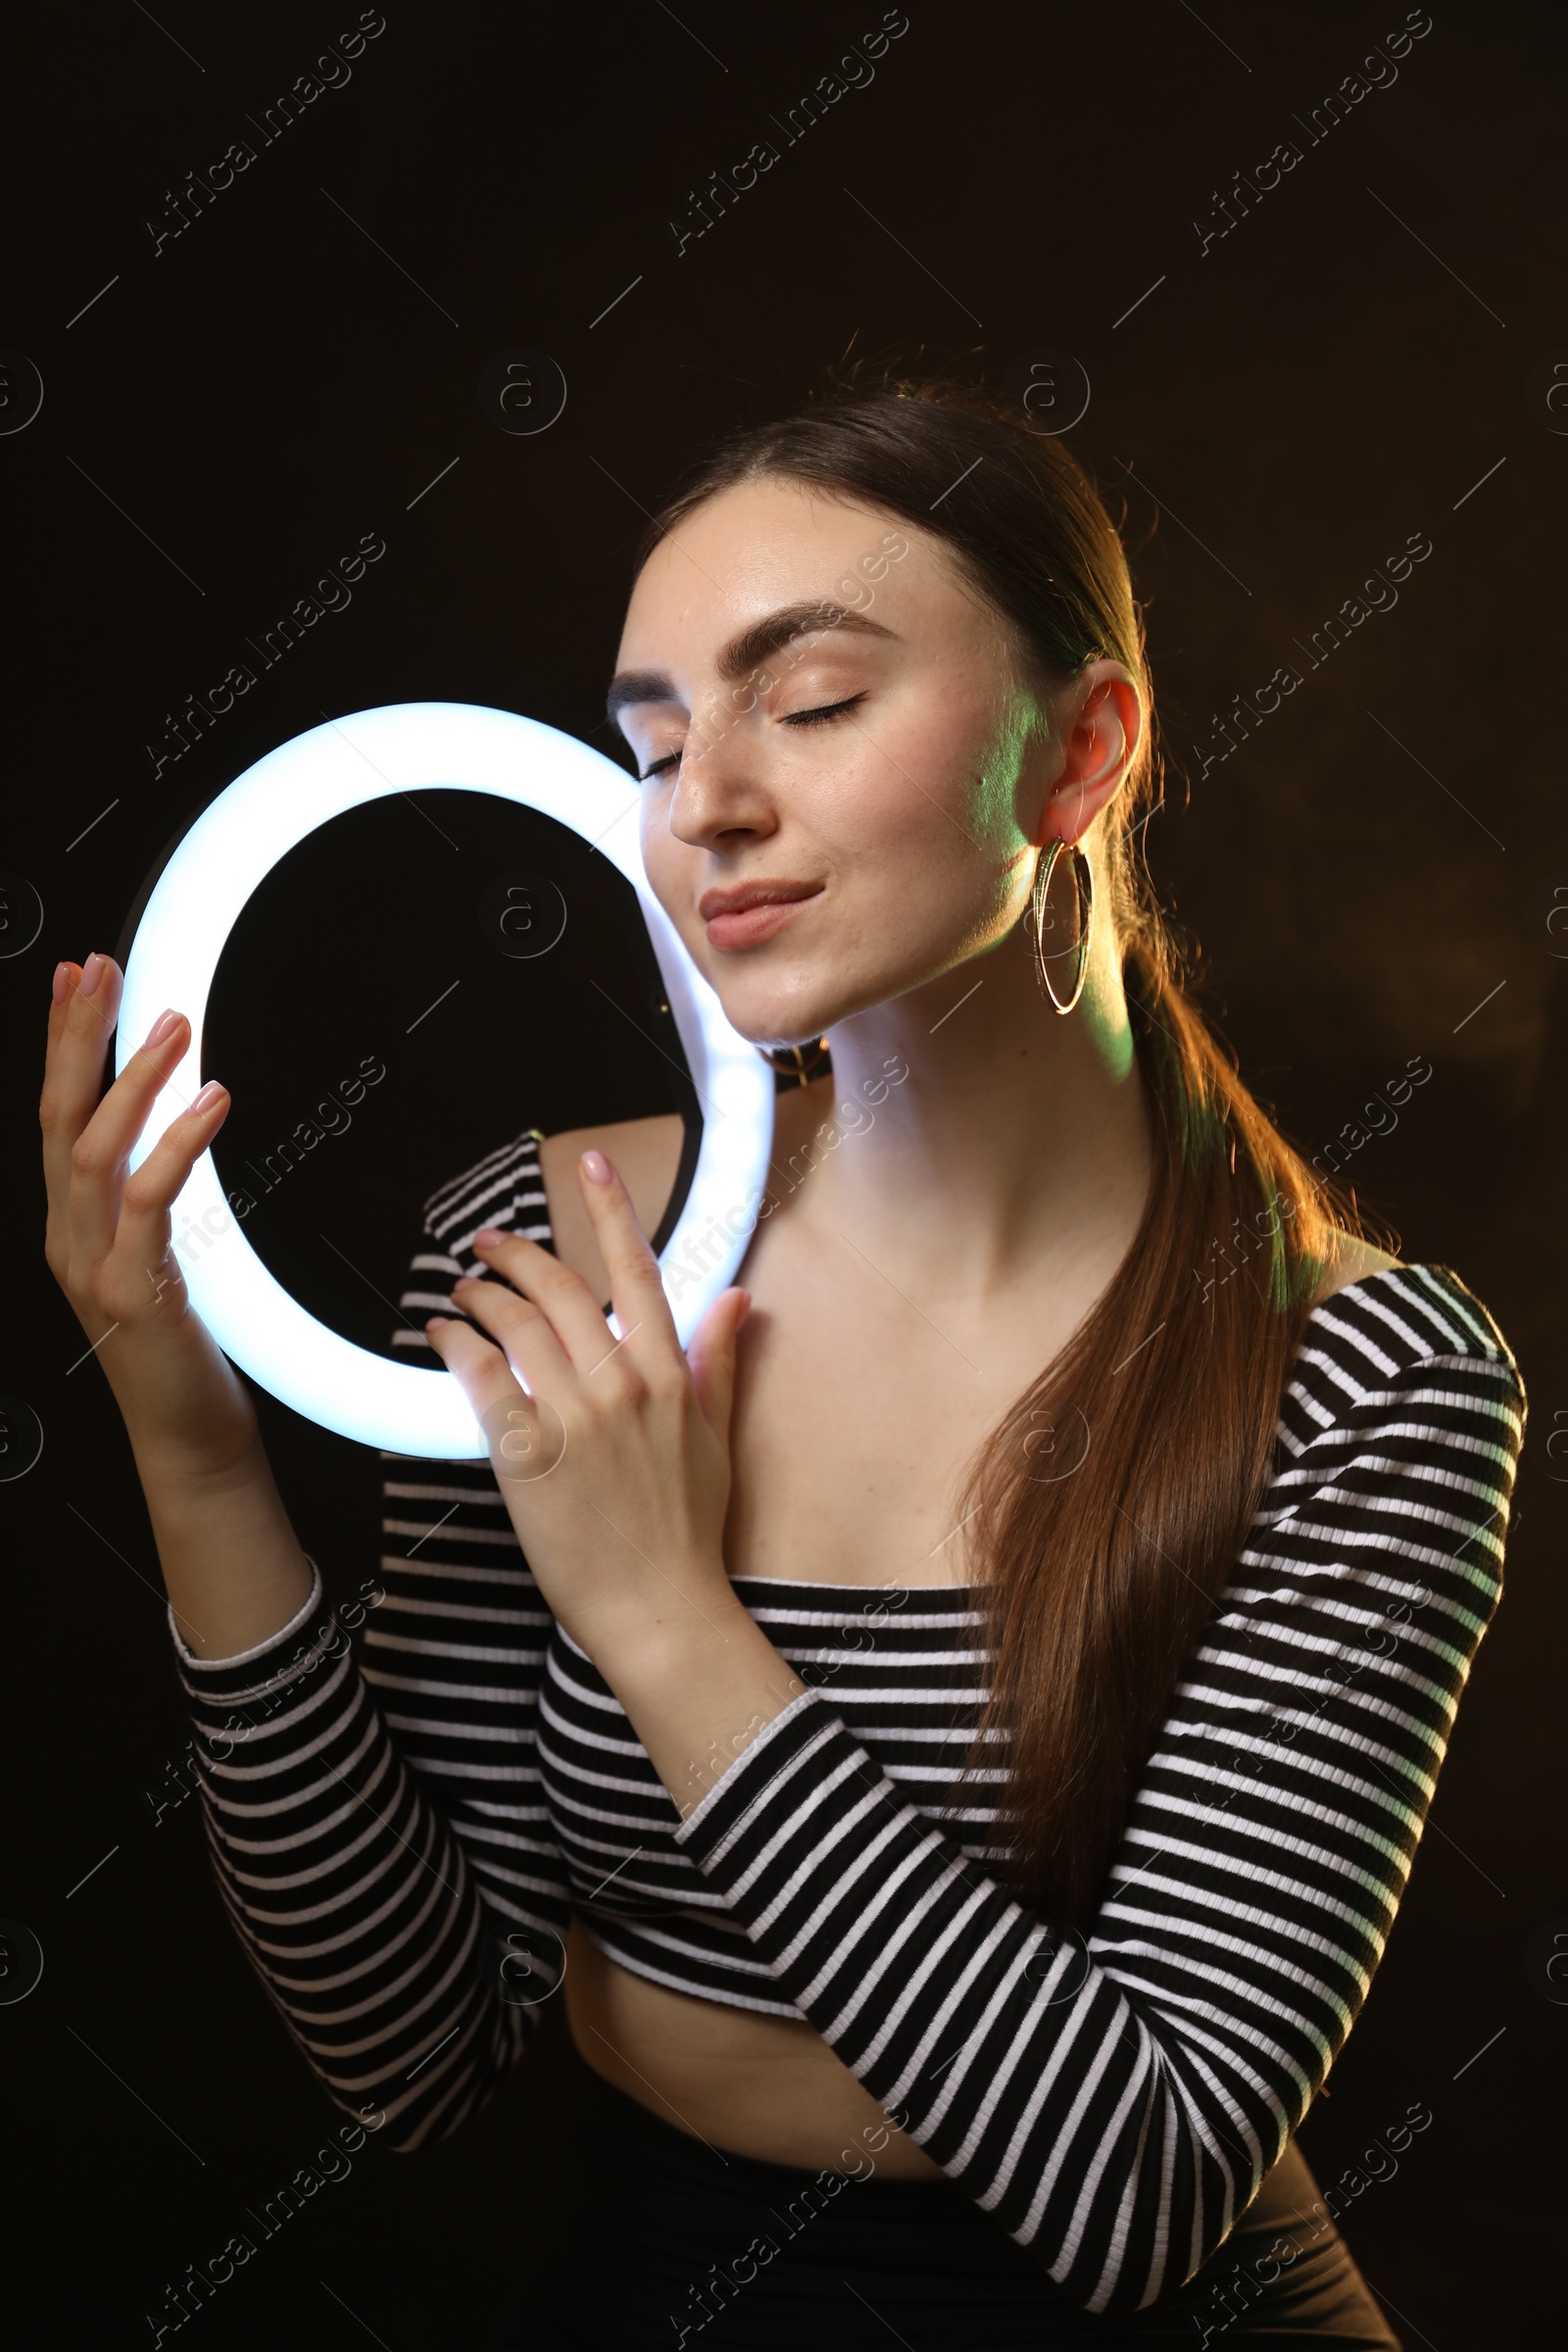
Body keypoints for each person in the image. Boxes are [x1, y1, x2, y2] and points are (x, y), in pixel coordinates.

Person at [40, 376, 1525, 2349]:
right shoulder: (546, 1248)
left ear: (1078, 752)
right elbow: (401, 2053)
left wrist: (664, 1616)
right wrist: (191, 1439)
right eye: (650, 744)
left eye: (808, 702)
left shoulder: (1367, 1379)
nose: (706, 803)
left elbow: (1142, 2186)